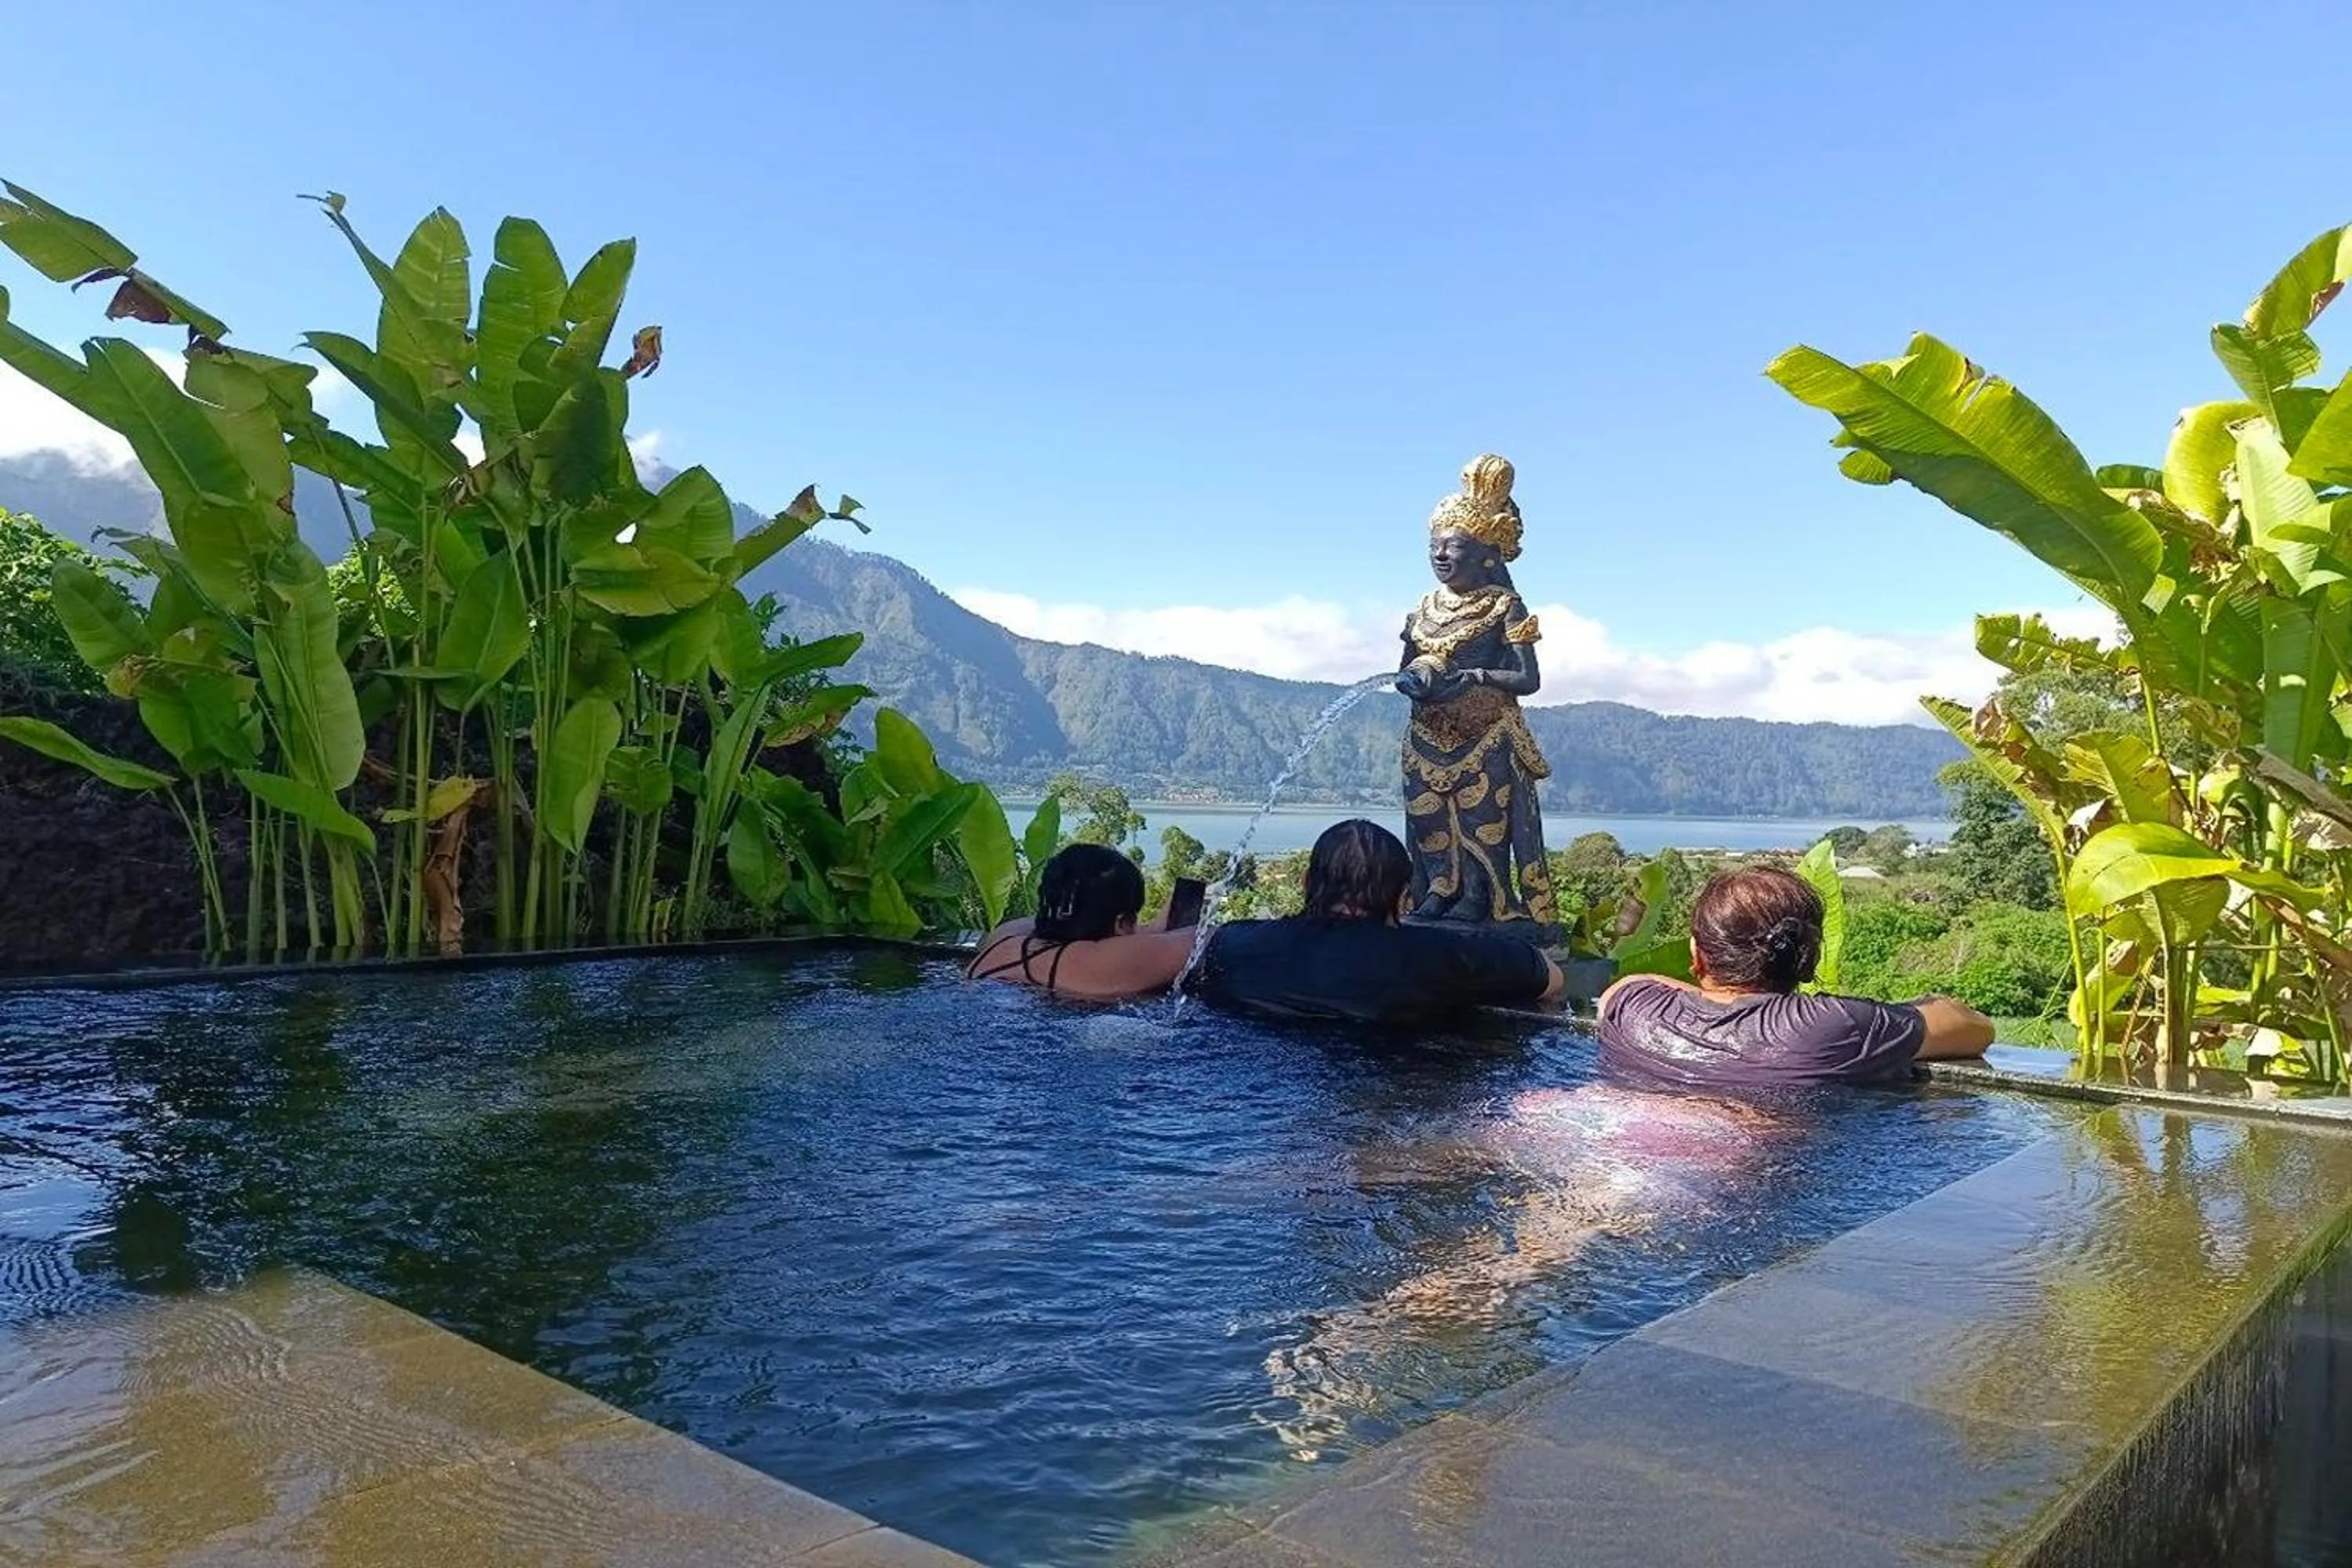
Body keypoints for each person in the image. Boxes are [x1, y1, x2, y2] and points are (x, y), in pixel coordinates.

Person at [1596, 865, 1994, 1087]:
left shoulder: (1632, 1005)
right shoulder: (1832, 1026)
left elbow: (1634, 983)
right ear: (1807, 957)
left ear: (1697, 956)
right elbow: (1974, 1029)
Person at [1185, 819, 1566, 1024]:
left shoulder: (1232, 944)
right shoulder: (1444, 958)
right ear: (1403, 896)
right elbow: (1552, 979)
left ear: (1306, 883)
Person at [966, 844, 1196, 1001]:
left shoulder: (1006, 937)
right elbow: (1206, 936)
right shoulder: (1095, 962)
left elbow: (1141, 940)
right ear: (1121, 923)